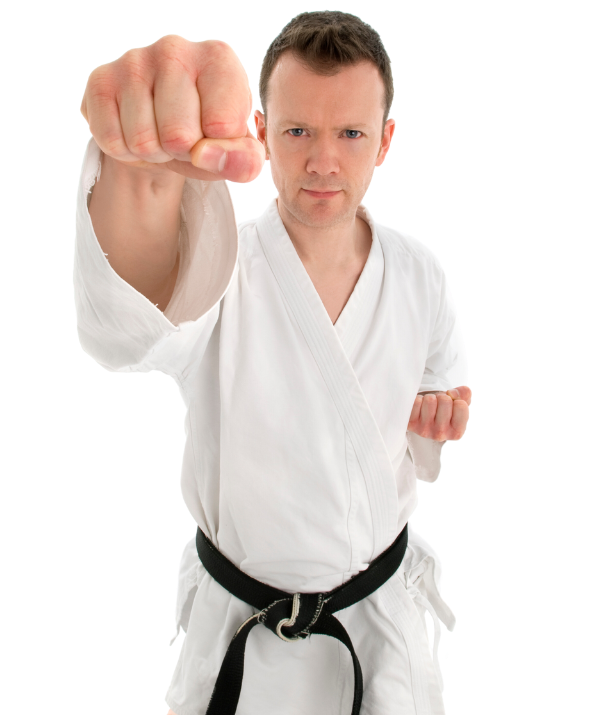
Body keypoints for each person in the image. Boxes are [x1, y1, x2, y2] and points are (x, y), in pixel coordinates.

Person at [75, 11, 471, 715]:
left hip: (378, 629)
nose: (322, 160)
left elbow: (427, 416)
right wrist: (145, 183)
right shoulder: (219, 262)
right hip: (243, 634)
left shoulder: (418, 271)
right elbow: (134, 332)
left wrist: (437, 422)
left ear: (384, 141)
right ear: (260, 132)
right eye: (297, 131)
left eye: (349, 133)